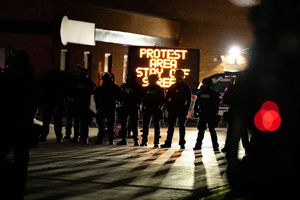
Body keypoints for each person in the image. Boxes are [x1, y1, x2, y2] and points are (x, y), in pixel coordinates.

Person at [0, 49, 39, 199]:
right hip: (6, 124)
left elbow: (29, 105)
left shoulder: (28, 81)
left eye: (14, 60)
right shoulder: (7, 78)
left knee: (20, 163)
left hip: (21, 126)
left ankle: (16, 192)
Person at [161, 69, 191, 149]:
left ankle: (181, 143)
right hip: (174, 109)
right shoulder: (174, 86)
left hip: (181, 109)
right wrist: (169, 107)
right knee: (172, 126)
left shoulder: (185, 87)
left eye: (179, 75)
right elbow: (167, 98)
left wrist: (186, 109)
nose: (177, 77)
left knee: (181, 126)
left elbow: (188, 100)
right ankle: (169, 142)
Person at [39, 67, 66, 142]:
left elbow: (42, 89)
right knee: (57, 121)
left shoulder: (47, 79)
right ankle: (58, 136)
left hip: (49, 102)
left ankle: (44, 135)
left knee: (46, 120)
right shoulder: (60, 80)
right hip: (57, 102)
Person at [193, 78, 220, 151]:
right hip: (210, 114)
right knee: (212, 130)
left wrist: (196, 112)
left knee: (201, 131)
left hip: (203, 114)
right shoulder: (214, 94)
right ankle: (215, 146)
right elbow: (217, 105)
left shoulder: (202, 93)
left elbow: (197, 103)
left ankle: (198, 145)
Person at [117, 71, 143, 146]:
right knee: (124, 123)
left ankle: (135, 140)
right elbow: (120, 95)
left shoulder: (137, 86)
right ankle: (124, 139)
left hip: (133, 106)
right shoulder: (124, 86)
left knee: (134, 124)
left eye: (129, 77)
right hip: (126, 106)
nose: (128, 78)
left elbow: (141, 97)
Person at [69, 68, 95, 144]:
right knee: (84, 122)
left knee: (77, 122)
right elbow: (92, 90)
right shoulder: (88, 82)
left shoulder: (76, 81)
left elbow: (71, 91)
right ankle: (84, 138)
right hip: (84, 104)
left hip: (78, 104)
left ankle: (77, 137)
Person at [94, 72, 120, 145]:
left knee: (102, 125)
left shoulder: (100, 89)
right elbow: (119, 97)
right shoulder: (114, 87)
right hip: (110, 108)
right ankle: (110, 139)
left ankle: (101, 139)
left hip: (104, 108)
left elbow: (96, 99)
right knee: (110, 125)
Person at [140, 74, 165, 147]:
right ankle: (145, 141)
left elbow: (163, 100)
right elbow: (141, 98)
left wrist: (159, 106)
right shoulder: (146, 89)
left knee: (156, 126)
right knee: (146, 126)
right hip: (148, 108)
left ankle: (156, 141)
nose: (151, 81)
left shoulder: (160, 89)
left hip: (155, 108)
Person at [64, 65, 82, 139]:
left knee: (76, 120)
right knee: (70, 119)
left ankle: (76, 134)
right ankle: (69, 134)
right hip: (72, 101)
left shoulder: (79, 79)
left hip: (77, 102)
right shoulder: (72, 79)